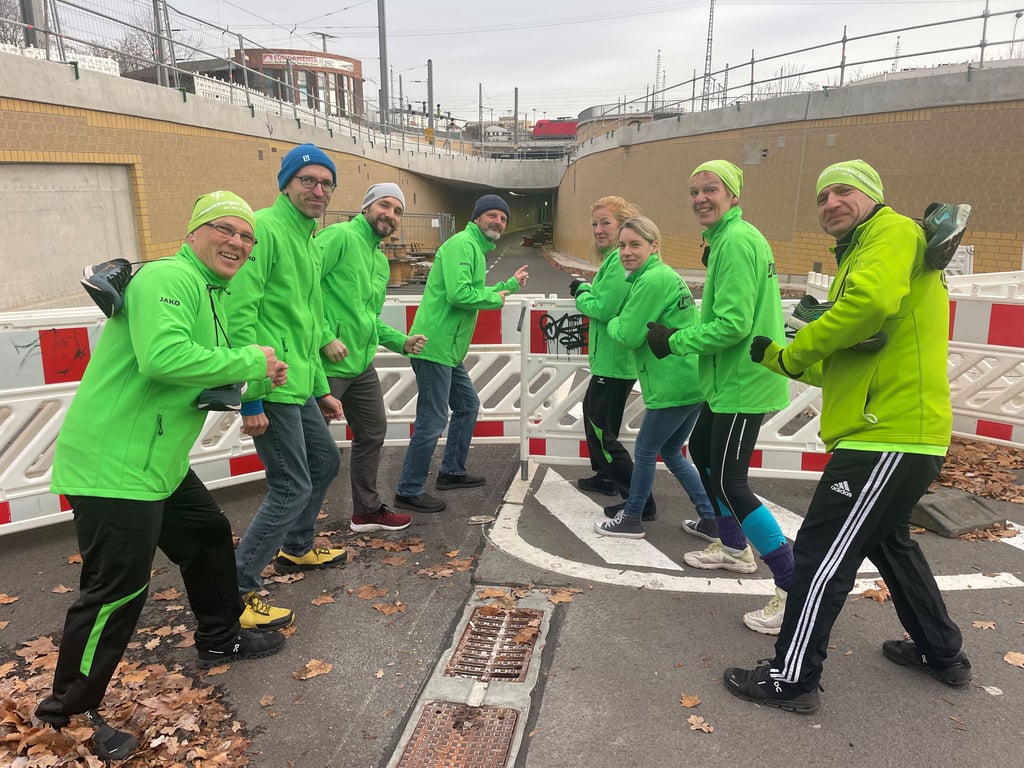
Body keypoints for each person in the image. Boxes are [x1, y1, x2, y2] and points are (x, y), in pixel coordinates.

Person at [35, 192, 291, 761]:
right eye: (226, 230)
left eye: (248, 237)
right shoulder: (169, 278)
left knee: (204, 536)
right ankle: (66, 713)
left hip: (157, 464)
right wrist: (252, 359)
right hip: (114, 467)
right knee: (114, 591)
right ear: (195, 232)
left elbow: (204, 378)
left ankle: (220, 638)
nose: (239, 243)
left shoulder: (210, 292)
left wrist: (262, 377)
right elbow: (164, 357)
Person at [723, 159, 970, 713]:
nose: (830, 201)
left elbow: (868, 307)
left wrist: (800, 347)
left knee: (820, 556)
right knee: (890, 544)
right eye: (822, 195)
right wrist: (775, 358)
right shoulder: (864, 252)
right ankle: (942, 652)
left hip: (887, 438)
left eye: (843, 191)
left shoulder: (892, 231)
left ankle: (792, 679)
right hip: (896, 435)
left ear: (872, 195)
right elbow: (842, 363)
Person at [647, 159, 794, 633]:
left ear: (732, 195)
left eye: (710, 189)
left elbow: (732, 325)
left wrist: (674, 340)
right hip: (727, 382)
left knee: (731, 482)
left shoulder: (734, 241)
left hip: (741, 384)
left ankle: (793, 586)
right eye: (693, 191)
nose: (700, 199)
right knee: (707, 460)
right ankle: (734, 549)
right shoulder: (732, 238)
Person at [226, 144, 347, 619]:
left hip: (298, 385)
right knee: (291, 486)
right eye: (308, 181)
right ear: (286, 184)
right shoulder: (265, 230)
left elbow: (310, 326)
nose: (318, 190)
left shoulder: (309, 241)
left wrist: (321, 390)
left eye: (326, 183)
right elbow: (242, 317)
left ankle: (297, 545)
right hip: (271, 384)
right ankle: (237, 590)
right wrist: (252, 395)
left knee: (325, 460)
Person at [394, 194, 529, 513]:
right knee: (432, 420)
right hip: (434, 346)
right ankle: (408, 489)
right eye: (492, 215)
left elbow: (470, 289)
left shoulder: (475, 249)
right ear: (477, 217)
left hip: (448, 350)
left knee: (467, 405)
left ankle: (452, 471)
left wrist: (509, 285)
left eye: (503, 219)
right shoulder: (462, 245)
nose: (498, 222)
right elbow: (459, 294)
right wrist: (497, 299)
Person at [591, 216, 714, 538]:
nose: (626, 252)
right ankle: (711, 517)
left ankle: (632, 517)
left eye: (635, 244)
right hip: (690, 379)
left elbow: (628, 334)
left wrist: (616, 318)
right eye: (622, 245)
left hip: (671, 381)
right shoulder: (660, 276)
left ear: (654, 246)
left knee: (645, 450)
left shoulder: (651, 281)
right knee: (672, 451)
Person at [316, 183, 426, 533]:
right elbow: (300, 288)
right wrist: (324, 336)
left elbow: (367, 317)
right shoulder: (339, 237)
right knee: (313, 449)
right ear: (366, 207)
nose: (390, 215)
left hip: (360, 365)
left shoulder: (380, 260)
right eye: (385, 206)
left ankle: (365, 511)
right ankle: (294, 527)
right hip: (325, 365)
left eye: (397, 211)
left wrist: (401, 342)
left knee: (373, 431)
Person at [570, 197, 657, 521]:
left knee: (602, 432)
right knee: (595, 421)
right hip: (610, 361)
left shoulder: (619, 263)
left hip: (615, 362)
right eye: (595, 224)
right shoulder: (613, 260)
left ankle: (640, 501)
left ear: (624, 224)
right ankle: (606, 477)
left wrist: (581, 292)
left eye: (605, 223)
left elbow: (603, 309)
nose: (598, 229)